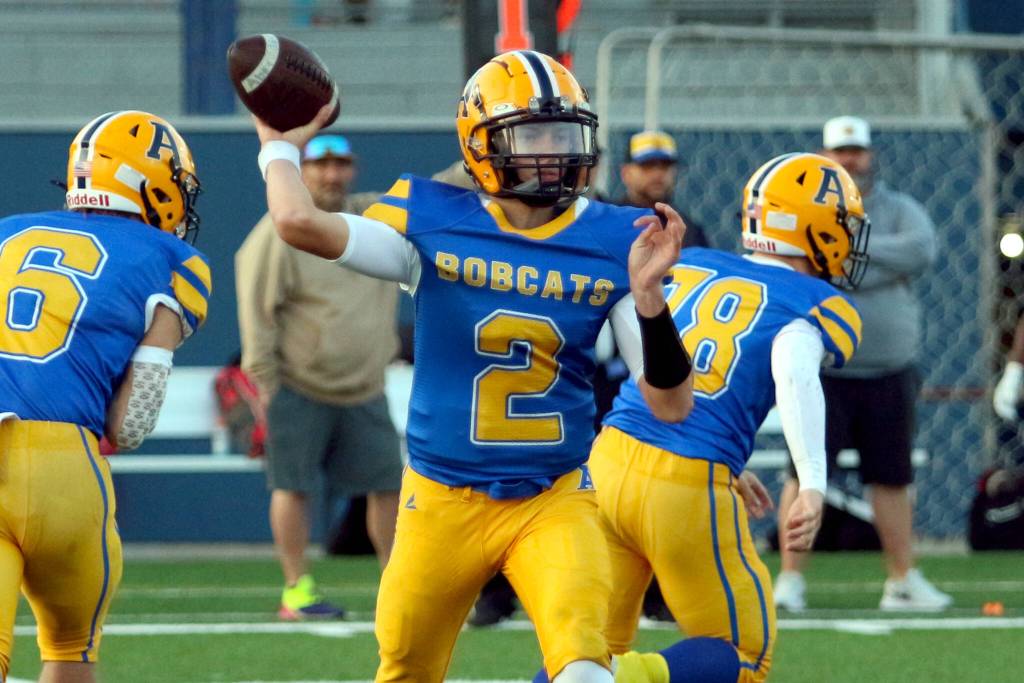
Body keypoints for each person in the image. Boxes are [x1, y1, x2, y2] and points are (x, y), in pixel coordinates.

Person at [253, 49, 693, 683]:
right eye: (533, 136)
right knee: (406, 667)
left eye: (563, 134)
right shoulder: (433, 220)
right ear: (482, 144)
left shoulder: (614, 238)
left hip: (553, 498)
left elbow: (671, 403)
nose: (554, 152)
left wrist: (649, 299)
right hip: (441, 499)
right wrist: (277, 147)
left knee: (583, 665)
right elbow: (297, 222)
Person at [533, 152, 870, 683]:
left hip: (609, 460)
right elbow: (793, 373)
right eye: (844, 224)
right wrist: (811, 482)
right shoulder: (809, 300)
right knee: (744, 653)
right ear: (816, 227)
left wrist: (730, 460)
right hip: (685, 482)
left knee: (591, 651)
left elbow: (678, 360)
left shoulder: (693, 264)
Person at [0, 111, 209, 683]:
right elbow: (131, 422)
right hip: (65, 472)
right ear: (153, 183)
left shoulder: (7, 231)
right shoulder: (173, 261)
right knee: (71, 650)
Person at [773, 116, 950, 613]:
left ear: (870, 154)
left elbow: (920, 251)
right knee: (803, 474)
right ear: (824, 156)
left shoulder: (900, 208)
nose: (849, 160)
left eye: (856, 151)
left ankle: (902, 579)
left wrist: (846, 250)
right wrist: (877, 264)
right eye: (840, 151)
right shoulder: (804, 208)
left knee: (892, 477)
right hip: (825, 369)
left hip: (888, 369)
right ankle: (790, 579)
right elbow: (801, 263)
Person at [235, 133, 403, 621]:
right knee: (292, 486)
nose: (332, 174)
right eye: (320, 165)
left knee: (388, 485)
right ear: (301, 170)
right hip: (297, 384)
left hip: (365, 386)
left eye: (341, 164)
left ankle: (398, 584)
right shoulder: (280, 229)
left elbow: (444, 186)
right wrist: (264, 382)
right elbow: (257, 309)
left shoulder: (373, 216)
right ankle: (296, 589)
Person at [613, 129, 711, 622]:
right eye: (647, 164)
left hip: (663, 363)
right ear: (626, 171)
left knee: (662, 477)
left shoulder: (689, 229)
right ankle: (501, 593)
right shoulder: (607, 221)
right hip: (604, 368)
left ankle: (657, 591)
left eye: (664, 165)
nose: (657, 174)